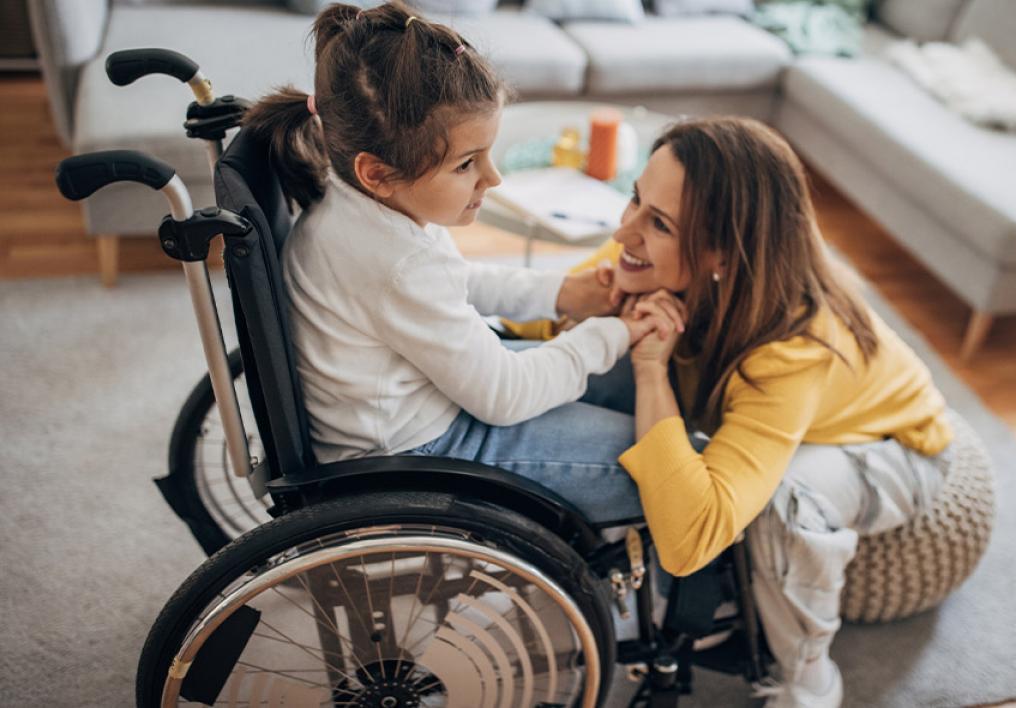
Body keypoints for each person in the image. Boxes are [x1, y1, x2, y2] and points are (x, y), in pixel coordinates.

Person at [522, 116, 955, 707]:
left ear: (722, 255)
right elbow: (522, 332)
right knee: (605, 347)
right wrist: (583, 308)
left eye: (659, 223)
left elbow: (689, 541)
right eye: (635, 199)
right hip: (783, 408)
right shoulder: (647, 254)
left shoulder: (793, 349)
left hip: (891, 448)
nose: (624, 230)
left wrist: (650, 370)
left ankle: (808, 681)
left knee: (786, 498)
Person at [242, 1, 677, 522]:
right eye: (467, 164)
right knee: (665, 466)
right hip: (415, 454)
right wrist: (615, 332)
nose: (493, 178)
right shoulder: (398, 262)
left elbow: (455, 282)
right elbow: (505, 396)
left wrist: (562, 293)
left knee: (628, 383)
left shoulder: (360, 207)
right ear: (376, 172)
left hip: (412, 407)